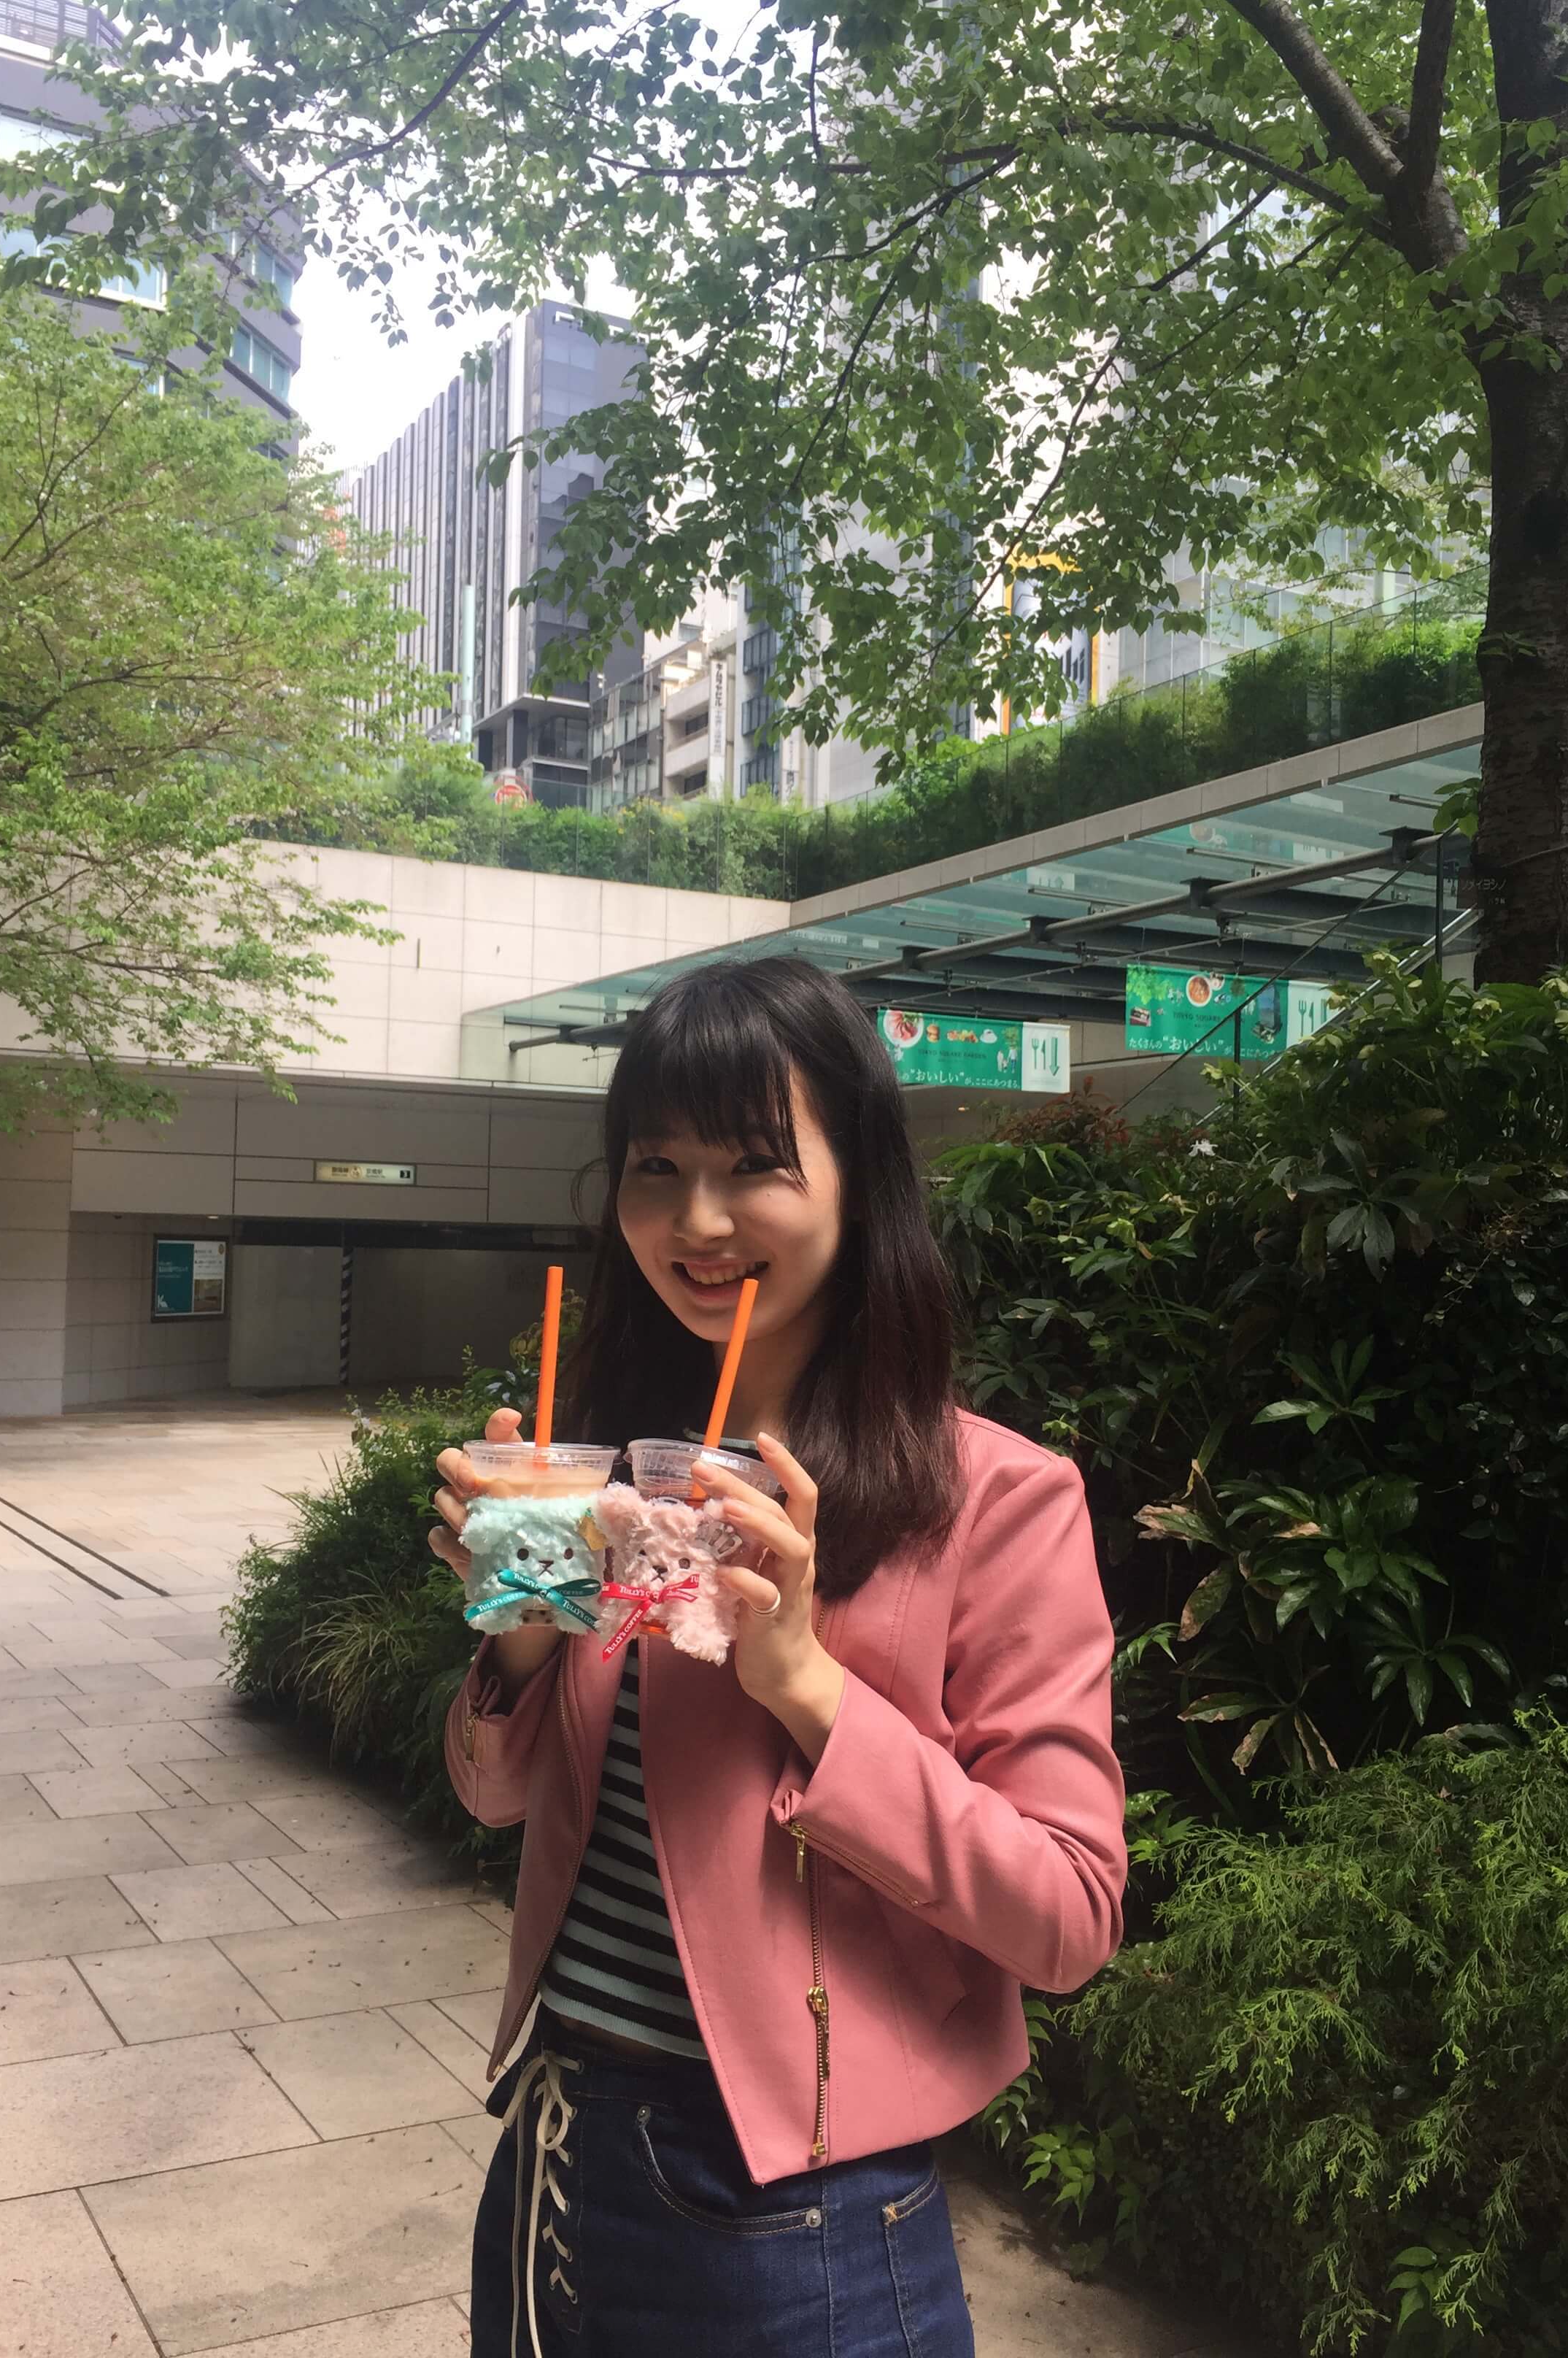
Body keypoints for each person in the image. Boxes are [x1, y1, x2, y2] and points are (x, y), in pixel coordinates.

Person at [432, 955, 1125, 2358]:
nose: (698, 1221)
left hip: (795, 2219)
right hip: (555, 2155)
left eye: (754, 1165)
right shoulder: (615, 1483)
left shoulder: (996, 1499)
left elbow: (1069, 1916)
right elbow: (496, 1801)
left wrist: (809, 1685)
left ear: (860, 1179)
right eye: (656, 1167)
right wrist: (520, 1623)